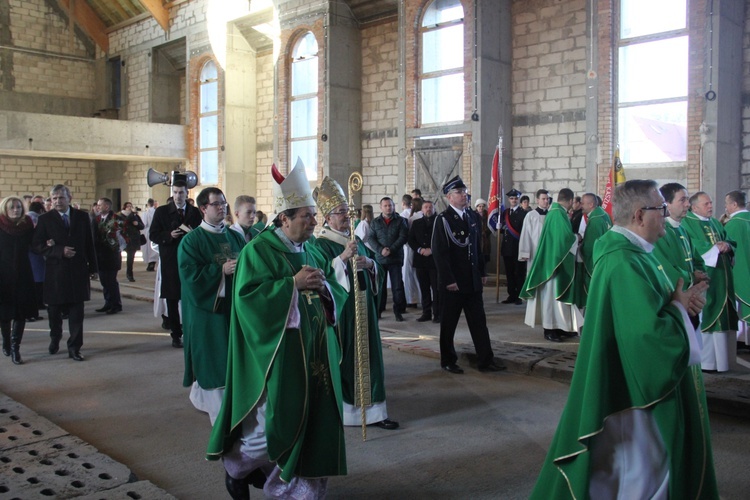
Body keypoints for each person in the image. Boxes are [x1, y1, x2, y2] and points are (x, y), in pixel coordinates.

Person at [530, 179, 718, 499]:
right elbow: (646, 337)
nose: (667, 215)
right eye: (661, 208)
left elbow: (663, 307)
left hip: (640, 388)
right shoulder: (623, 261)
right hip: (636, 396)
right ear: (641, 215)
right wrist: (678, 310)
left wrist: (685, 308)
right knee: (644, 475)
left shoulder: (641, 253)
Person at [207, 160, 347, 500]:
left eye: (314, 215)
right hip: (278, 355)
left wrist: (325, 287)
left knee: (312, 422)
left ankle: (301, 488)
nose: (314, 222)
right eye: (307, 216)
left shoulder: (310, 247)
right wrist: (291, 285)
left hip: (314, 353)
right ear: (284, 218)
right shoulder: (259, 251)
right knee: (273, 424)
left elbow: (328, 289)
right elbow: (247, 301)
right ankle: (239, 470)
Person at [312, 176, 399, 430]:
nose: (347, 216)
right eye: (341, 213)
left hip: (365, 309)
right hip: (344, 313)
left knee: (371, 358)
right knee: (347, 359)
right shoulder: (321, 245)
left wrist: (369, 265)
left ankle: (376, 412)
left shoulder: (357, 240)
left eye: (348, 212)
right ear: (328, 217)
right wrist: (341, 259)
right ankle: (349, 412)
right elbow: (321, 277)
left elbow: (376, 267)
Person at [178, 187, 245, 425]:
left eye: (224, 203)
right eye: (217, 204)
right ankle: (212, 403)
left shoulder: (235, 236)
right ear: (203, 208)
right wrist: (220, 271)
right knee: (212, 358)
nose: (222, 208)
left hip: (234, 308)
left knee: (232, 357)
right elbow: (190, 278)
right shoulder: (191, 241)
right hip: (208, 311)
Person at [432, 176, 505, 374]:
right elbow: (440, 253)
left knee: (479, 322)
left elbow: (477, 247)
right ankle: (448, 360)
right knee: (449, 324)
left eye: (465, 192)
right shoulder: (444, 220)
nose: (464, 195)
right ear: (449, 197)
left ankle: (485, 359)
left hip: (472, 280)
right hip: (453, 283)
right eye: (459, 192)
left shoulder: (472, 217)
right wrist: (448, 280)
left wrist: (481, 271)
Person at [32, 184, 96, 362]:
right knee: (54, 312)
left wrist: (93, 268)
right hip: (56, 273)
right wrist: (59, 251)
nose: (58, 201)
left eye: (61, 198)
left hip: (78, 271)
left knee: (77, 313)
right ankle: (55, 338)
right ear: (50, 201)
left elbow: (89, 244)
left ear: (69, 198)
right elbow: (37, 245)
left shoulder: (82, 217)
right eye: (54, 198)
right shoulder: (45, 219)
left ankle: (74, 347)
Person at [682, 191, 738, 372]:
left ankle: (724, 362)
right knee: (708, 312)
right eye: (706, 204)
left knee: (724, 314)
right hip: (707, 277)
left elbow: (729, 240)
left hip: (723, 276)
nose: (710, 207)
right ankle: (708, 362)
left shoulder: (714, 222)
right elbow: (694, 246)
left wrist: (727, 245)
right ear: (694, 206)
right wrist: (714, 248)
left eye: (711, 203)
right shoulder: (687, 223)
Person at [520, 188, 583, 343]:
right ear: (569, 201)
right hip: (553, 263)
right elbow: (564, 239)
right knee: (550, 298)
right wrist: (577, 237)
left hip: (555, 260)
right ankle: (549, 329)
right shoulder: (557, 214)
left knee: (558, 300)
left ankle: (561, 327)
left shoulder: (555, 212)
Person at [150, 179, 202, 348]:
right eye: (175, 193)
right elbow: (153, 235)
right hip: (171, 260)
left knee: (190, 296)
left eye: (181, 192)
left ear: (187, 193)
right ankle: (175, 334)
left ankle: (191, 330)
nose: (178, 196)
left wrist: (194, 234)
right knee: (172, 298)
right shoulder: (162, 212)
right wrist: (168, 235)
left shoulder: (195, 212)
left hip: (191, 260)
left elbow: (202, 232)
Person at [653, 183, 708, 332]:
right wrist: (691, 277)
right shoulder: (660, 232)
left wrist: (701, 277)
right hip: (674, 301)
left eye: (688, 200)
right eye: (682, 200)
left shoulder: (682, 229)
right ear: (667, 204)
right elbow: (664, 267)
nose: (687, 204)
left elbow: (697, 259)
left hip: (691, 297)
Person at [0, 197, 36, 364]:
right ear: (5, 210)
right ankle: (6, 342)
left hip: (23, 274)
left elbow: (35, 245)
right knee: (4, 314)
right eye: (12, 207)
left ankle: (16, 348)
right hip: (3, 275)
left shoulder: (27, 226)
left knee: (20, 313)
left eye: (18, 207)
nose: (16, 210)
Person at [368, 196, 409, 321]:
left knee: (397, 286)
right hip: (380, 259)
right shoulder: (375, 222)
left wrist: (391, 249)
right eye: (385, 206)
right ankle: (379, 310)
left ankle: (398, 311)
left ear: (393, 206)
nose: (388, 208)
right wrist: (381, 250)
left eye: (390, 205)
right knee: (380, 285)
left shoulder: (401, 221)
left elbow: (403, 237)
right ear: (381, 207)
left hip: (395, 258)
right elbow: (371, 238)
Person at [574, 193, 611, 309]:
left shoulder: (595, 221)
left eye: (583, 203)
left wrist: (579, 248)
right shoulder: (604, 215)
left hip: (596, 264)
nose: (581, 206)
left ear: (591, 204)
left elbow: (590, 248)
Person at [723, 190, 750, 350]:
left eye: (726, 204)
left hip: (741, 272)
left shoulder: (733, 224)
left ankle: (742, 340)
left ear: (734, 204)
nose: (725, 207)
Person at [408, 199, 440, 323]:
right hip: (421, 260)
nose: (428, 209)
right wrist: (420, 249)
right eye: (426, 207)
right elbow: (411, 240)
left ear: (434, 209)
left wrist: (432, 250)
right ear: (422, 209)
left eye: (430, 207)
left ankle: (437, 313)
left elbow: (442, 240)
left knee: (436, 289)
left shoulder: (439, 222)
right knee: (424, 288)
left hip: (434, 260)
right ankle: (426, 312)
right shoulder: (416, 223)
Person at [93, 198, 124, 315]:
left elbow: (121, 236)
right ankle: (108, 303)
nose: (97, 207)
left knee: (111, 281)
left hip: (111, 256)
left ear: (106, 207)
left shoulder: (116, 219)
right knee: (104, 281)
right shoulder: (97, 219)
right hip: (101, 256)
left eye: (100, 205)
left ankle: (116, 304)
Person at [499, 189, 527, 305]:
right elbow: (503, 231)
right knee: (509, 273)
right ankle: (511, 294)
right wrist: (499, 227)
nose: (513, 200)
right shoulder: (505, 213)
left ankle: (519, 296)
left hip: (518, 247)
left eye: (515, 198)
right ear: (509, 200)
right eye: (511, 198)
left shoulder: (523, 213)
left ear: (518, 199)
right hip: (507, 248)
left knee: (519, 273)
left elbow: (524, 232)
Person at [518, 189, 550, 264]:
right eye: (543, 199)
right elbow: (526, 234)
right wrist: (525, 252)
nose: (546, 201)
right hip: (534, 250)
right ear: (538, 200)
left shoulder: (551, 215)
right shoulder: (531, 215)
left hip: (548, 250)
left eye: (547, 199)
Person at [400, 194, 420, 307]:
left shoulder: (407, 217)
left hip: (410, 248)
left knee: (410, 275)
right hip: (420, 249)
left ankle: (412, 299)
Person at [120, 202, 145, 282]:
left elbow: (142, 226)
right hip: (124, 238)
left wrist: (137, 224)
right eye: (128, 206)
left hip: (133, 239)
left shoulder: (135, 216)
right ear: (124, 207)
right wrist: (132, 215)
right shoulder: (121, 215)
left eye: (131, 206)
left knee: (131, 257)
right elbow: (123, 224)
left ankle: (129, 274)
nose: (130, 208)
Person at [141, 199, 158, 271]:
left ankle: (149, 263)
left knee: (147, 248)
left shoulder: (145, 213)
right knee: (153, 248)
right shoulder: (156, 212)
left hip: (148, 231)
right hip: (155, 231)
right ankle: (153, 262)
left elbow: (144, 224)